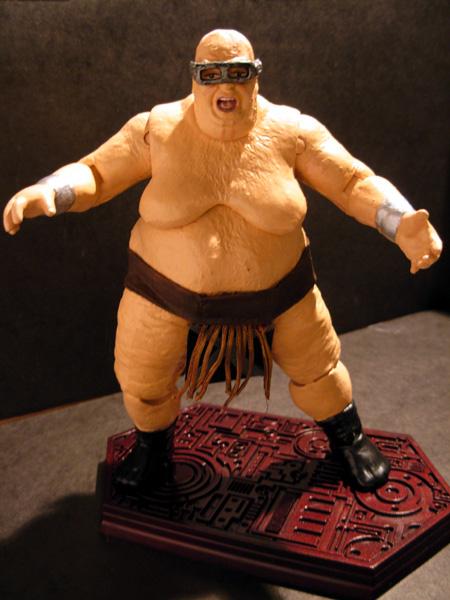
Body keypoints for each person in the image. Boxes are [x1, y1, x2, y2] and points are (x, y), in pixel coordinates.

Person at [3, 29, 442, 492]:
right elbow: (95, 173)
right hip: (160, 292)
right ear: (194, 77)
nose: (225, 86)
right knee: (142, 378)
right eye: (211, 74)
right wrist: (51, 190)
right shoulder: (156, 129)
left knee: (321, 370)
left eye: (238, 73)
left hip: (283, 292)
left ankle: (349, 438)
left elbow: (353, 182)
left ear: (256, 75)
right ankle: (153, 450)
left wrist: (401, 222)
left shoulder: (291, 131)